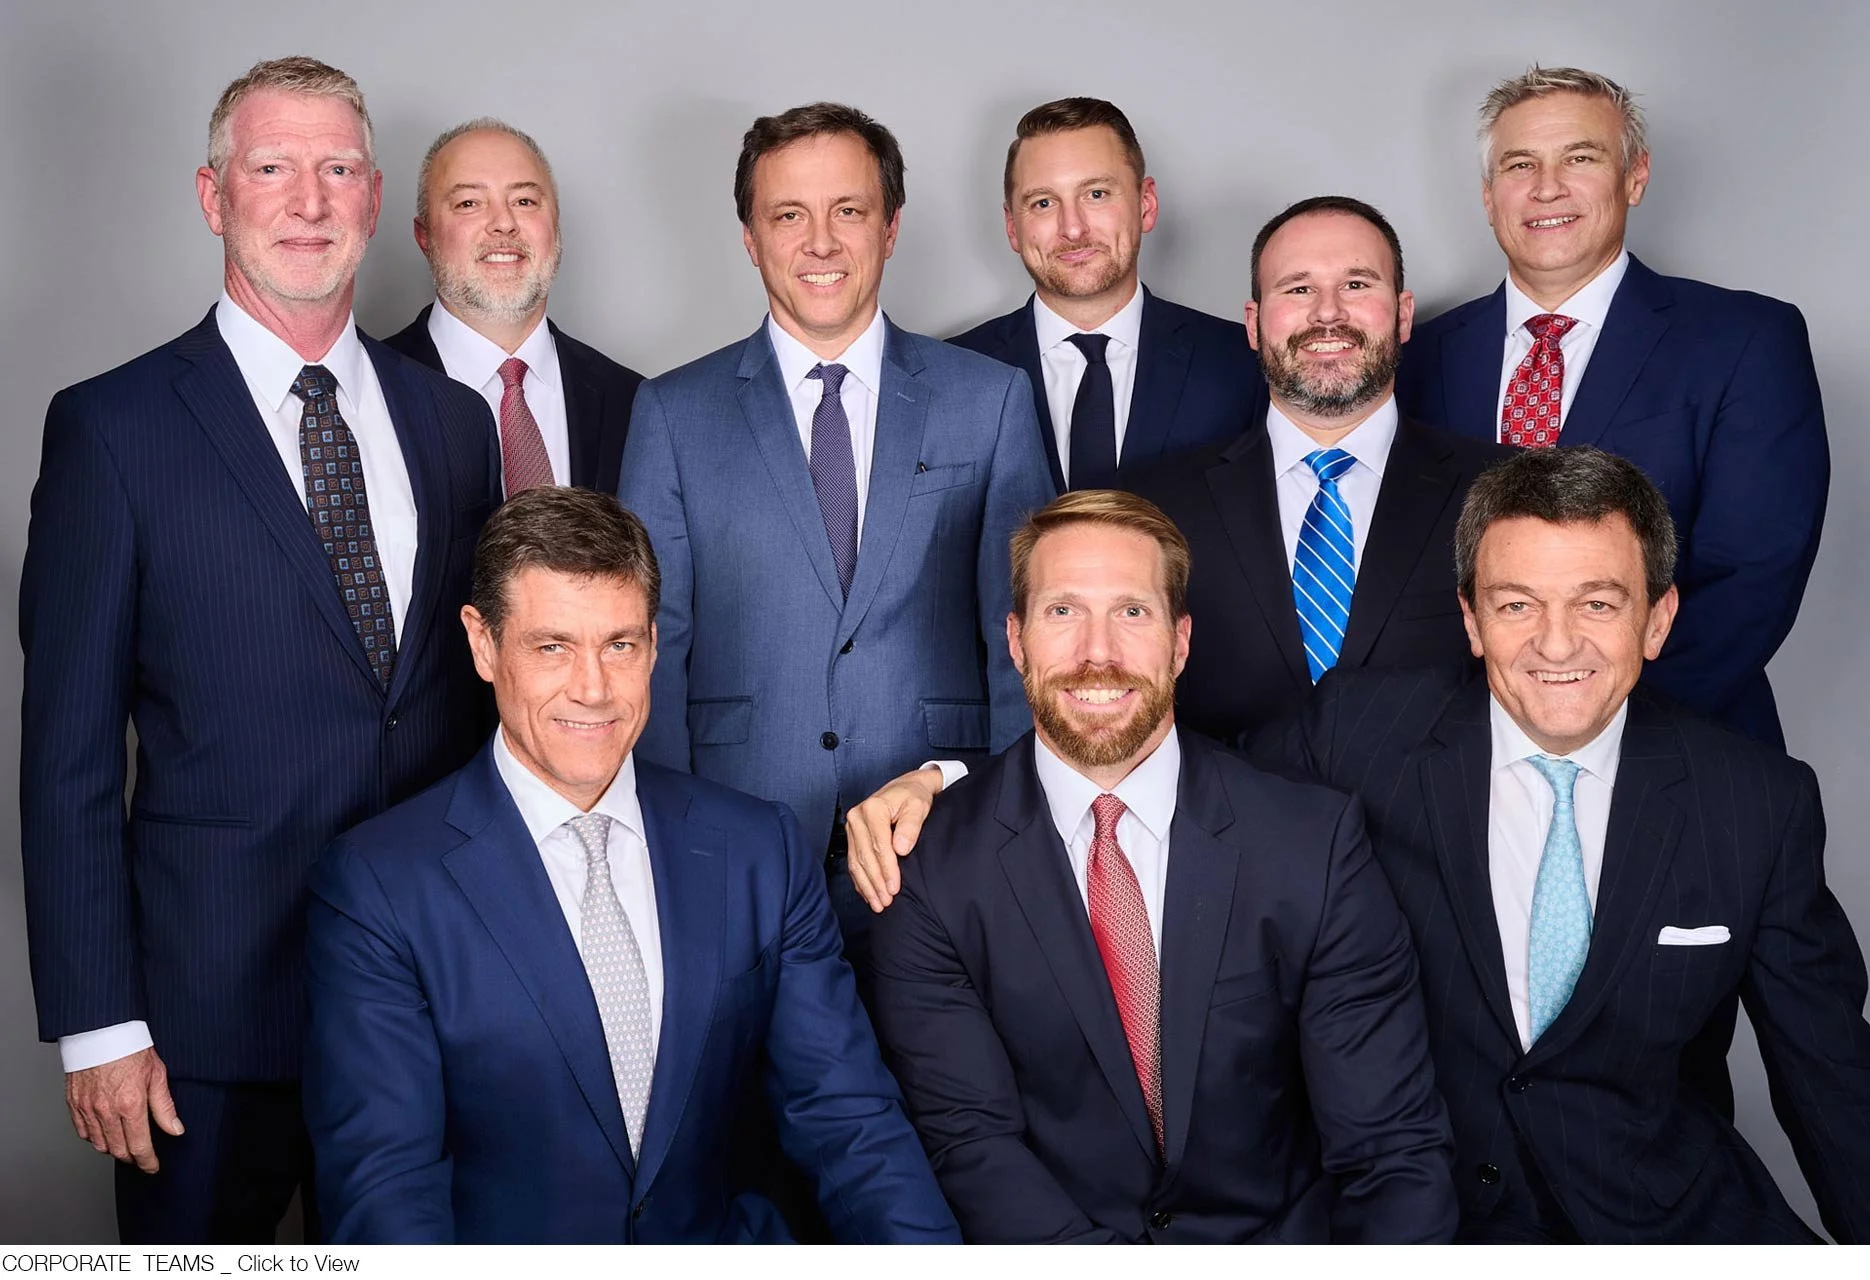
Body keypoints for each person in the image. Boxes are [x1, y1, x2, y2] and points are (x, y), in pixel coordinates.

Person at [18, 56, 499, 1243]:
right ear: (212, 193)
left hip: (427, 996)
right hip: (199, 1023)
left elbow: (470, 703)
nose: (308, 200)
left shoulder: (450, 421)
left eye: (337, 169)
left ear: (376, 198)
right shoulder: (113, 427)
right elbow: (66, 753)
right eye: (273, 168)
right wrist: (100, 1023)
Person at [303, 487, 958, 1244]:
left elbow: (849, 1122)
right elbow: (387, 1192)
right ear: (483, 645)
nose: (593, 687)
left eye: (620, 645)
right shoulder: (378, 885)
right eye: (552, 646)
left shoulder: (758, 850)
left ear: (654, 643)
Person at [1262, 447, 1870, 1242]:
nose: (1557, 645)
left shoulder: (1757, 801)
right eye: (1517, 606)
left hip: (1658, 1214)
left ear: (1657, 619)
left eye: (1597, 605)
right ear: (1472, 620)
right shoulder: (1352, 737)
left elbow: (1831, 1077)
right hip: (1413, 1220)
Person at [867, 489, 1457, 1242]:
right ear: (1014, 641)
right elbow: (973, 1146)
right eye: (1062, 612)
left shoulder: (1312, 842)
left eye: (1132, 612)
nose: (1098, 652)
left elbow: (1390, 1149)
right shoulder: (930, 868)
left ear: (1181, 643)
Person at [617, 102, 1052, 963]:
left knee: (938, 1091)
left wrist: (1000, 819)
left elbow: (1025, 633)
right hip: (735, 843)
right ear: (750, 236)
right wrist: (672, 836)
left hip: (939, 839)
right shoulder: (671, 412)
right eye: (789, 215)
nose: (820, 242)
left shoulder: (988, 399)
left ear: (890, 228)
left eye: (847, 211)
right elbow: (649, 642)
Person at [1396, 66, 1828, 749]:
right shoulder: (1418, 358)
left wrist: (1584, 735)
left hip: (1680, 749)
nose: (1546, 188)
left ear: (1636, 176)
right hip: (1456, 759)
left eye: (1580, 158)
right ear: (1488, 195)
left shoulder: (1744, 342)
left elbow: (1752, 579)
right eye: (1520, 164)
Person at [1127, 196, 1506, 744]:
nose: (1328, 312)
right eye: (1299, 288)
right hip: (1226, 826)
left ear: (1403, 315)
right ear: (1254, 324)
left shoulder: (1503, 490)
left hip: (1438, 827)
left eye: (1356, 284)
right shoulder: (1152, 505)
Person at [951, 98, 1264, 492]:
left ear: (1145, 205)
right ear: (1013, 226)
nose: (1074, 229)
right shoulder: (951, 374)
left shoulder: (1243, 364)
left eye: (1096, 194)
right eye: (1043, 203)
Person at [385, 118, 643, 495]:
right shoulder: (369, 390)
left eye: (524, 201)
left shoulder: (635, 402)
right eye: (469, 203)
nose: (504, 224)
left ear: (555, 225)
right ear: (425, 236)